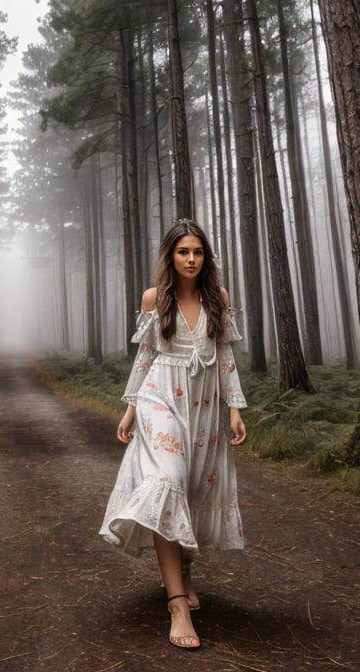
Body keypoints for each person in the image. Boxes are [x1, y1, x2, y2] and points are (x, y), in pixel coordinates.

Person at [99, 218, 247, 650]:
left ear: (206, 258)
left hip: (204, 409)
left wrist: (235, 409)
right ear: (170, 256)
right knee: (165, 483)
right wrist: (129, 409)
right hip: (159, 401)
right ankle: (177, 603)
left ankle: (184, 573)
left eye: (198, 252)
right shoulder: (154, 298)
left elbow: (225, 358)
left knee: (191, 488)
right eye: (183, 252)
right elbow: (145, 357)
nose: (191, 259)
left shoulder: (217, 298)